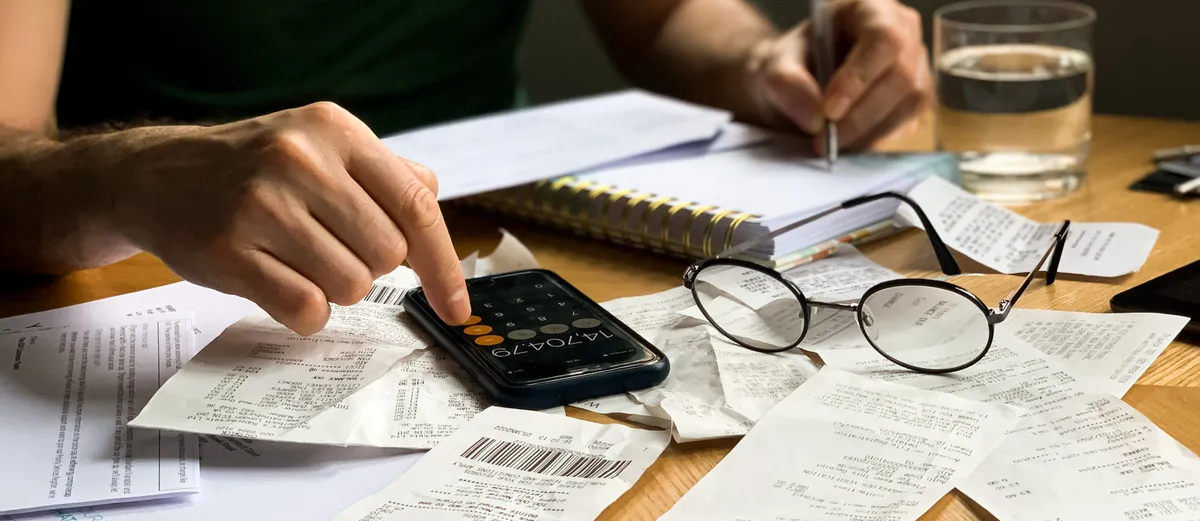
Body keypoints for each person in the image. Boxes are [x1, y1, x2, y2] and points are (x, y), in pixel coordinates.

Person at [0, 0, 929, 335]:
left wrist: (763, 65)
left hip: (511, 237)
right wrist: (139, 173)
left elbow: (666, 16)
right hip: (160, 270)